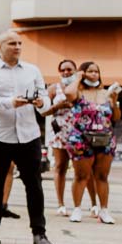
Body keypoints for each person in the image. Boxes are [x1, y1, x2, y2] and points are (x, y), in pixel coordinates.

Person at [0, 31, 51, 244]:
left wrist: (40, 103)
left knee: (34, 184)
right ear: (0, 47)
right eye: (11, 43)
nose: (17, 47)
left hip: (29, 135)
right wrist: (10, 103)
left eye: (19, 43)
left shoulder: (32, 70)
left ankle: (39, 233)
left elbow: (45, 101)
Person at [59, 61, 121, 224]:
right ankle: (77, 208)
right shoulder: (78, 92)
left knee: (102, 176)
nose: (94, 74)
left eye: (96, 72)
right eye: (90, 71)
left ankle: (104, 210)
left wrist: (115, 102)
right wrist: (78, 77)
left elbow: (115, 117)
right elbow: (69, 93)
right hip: (81, 138)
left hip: (104, 138)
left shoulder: (106, 93)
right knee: (81, 176)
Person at [45, 58, 77, 216]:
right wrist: (58, 106)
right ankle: (61, 204)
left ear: (75, 71)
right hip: (59, 133)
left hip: (78, 132)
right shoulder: (53, 88)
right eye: (63, 69)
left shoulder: (80, 87)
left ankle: (84, 204)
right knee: (60, 167)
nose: (66, 72)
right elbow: (43, 111)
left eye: (69, 69)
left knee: (82, 170)